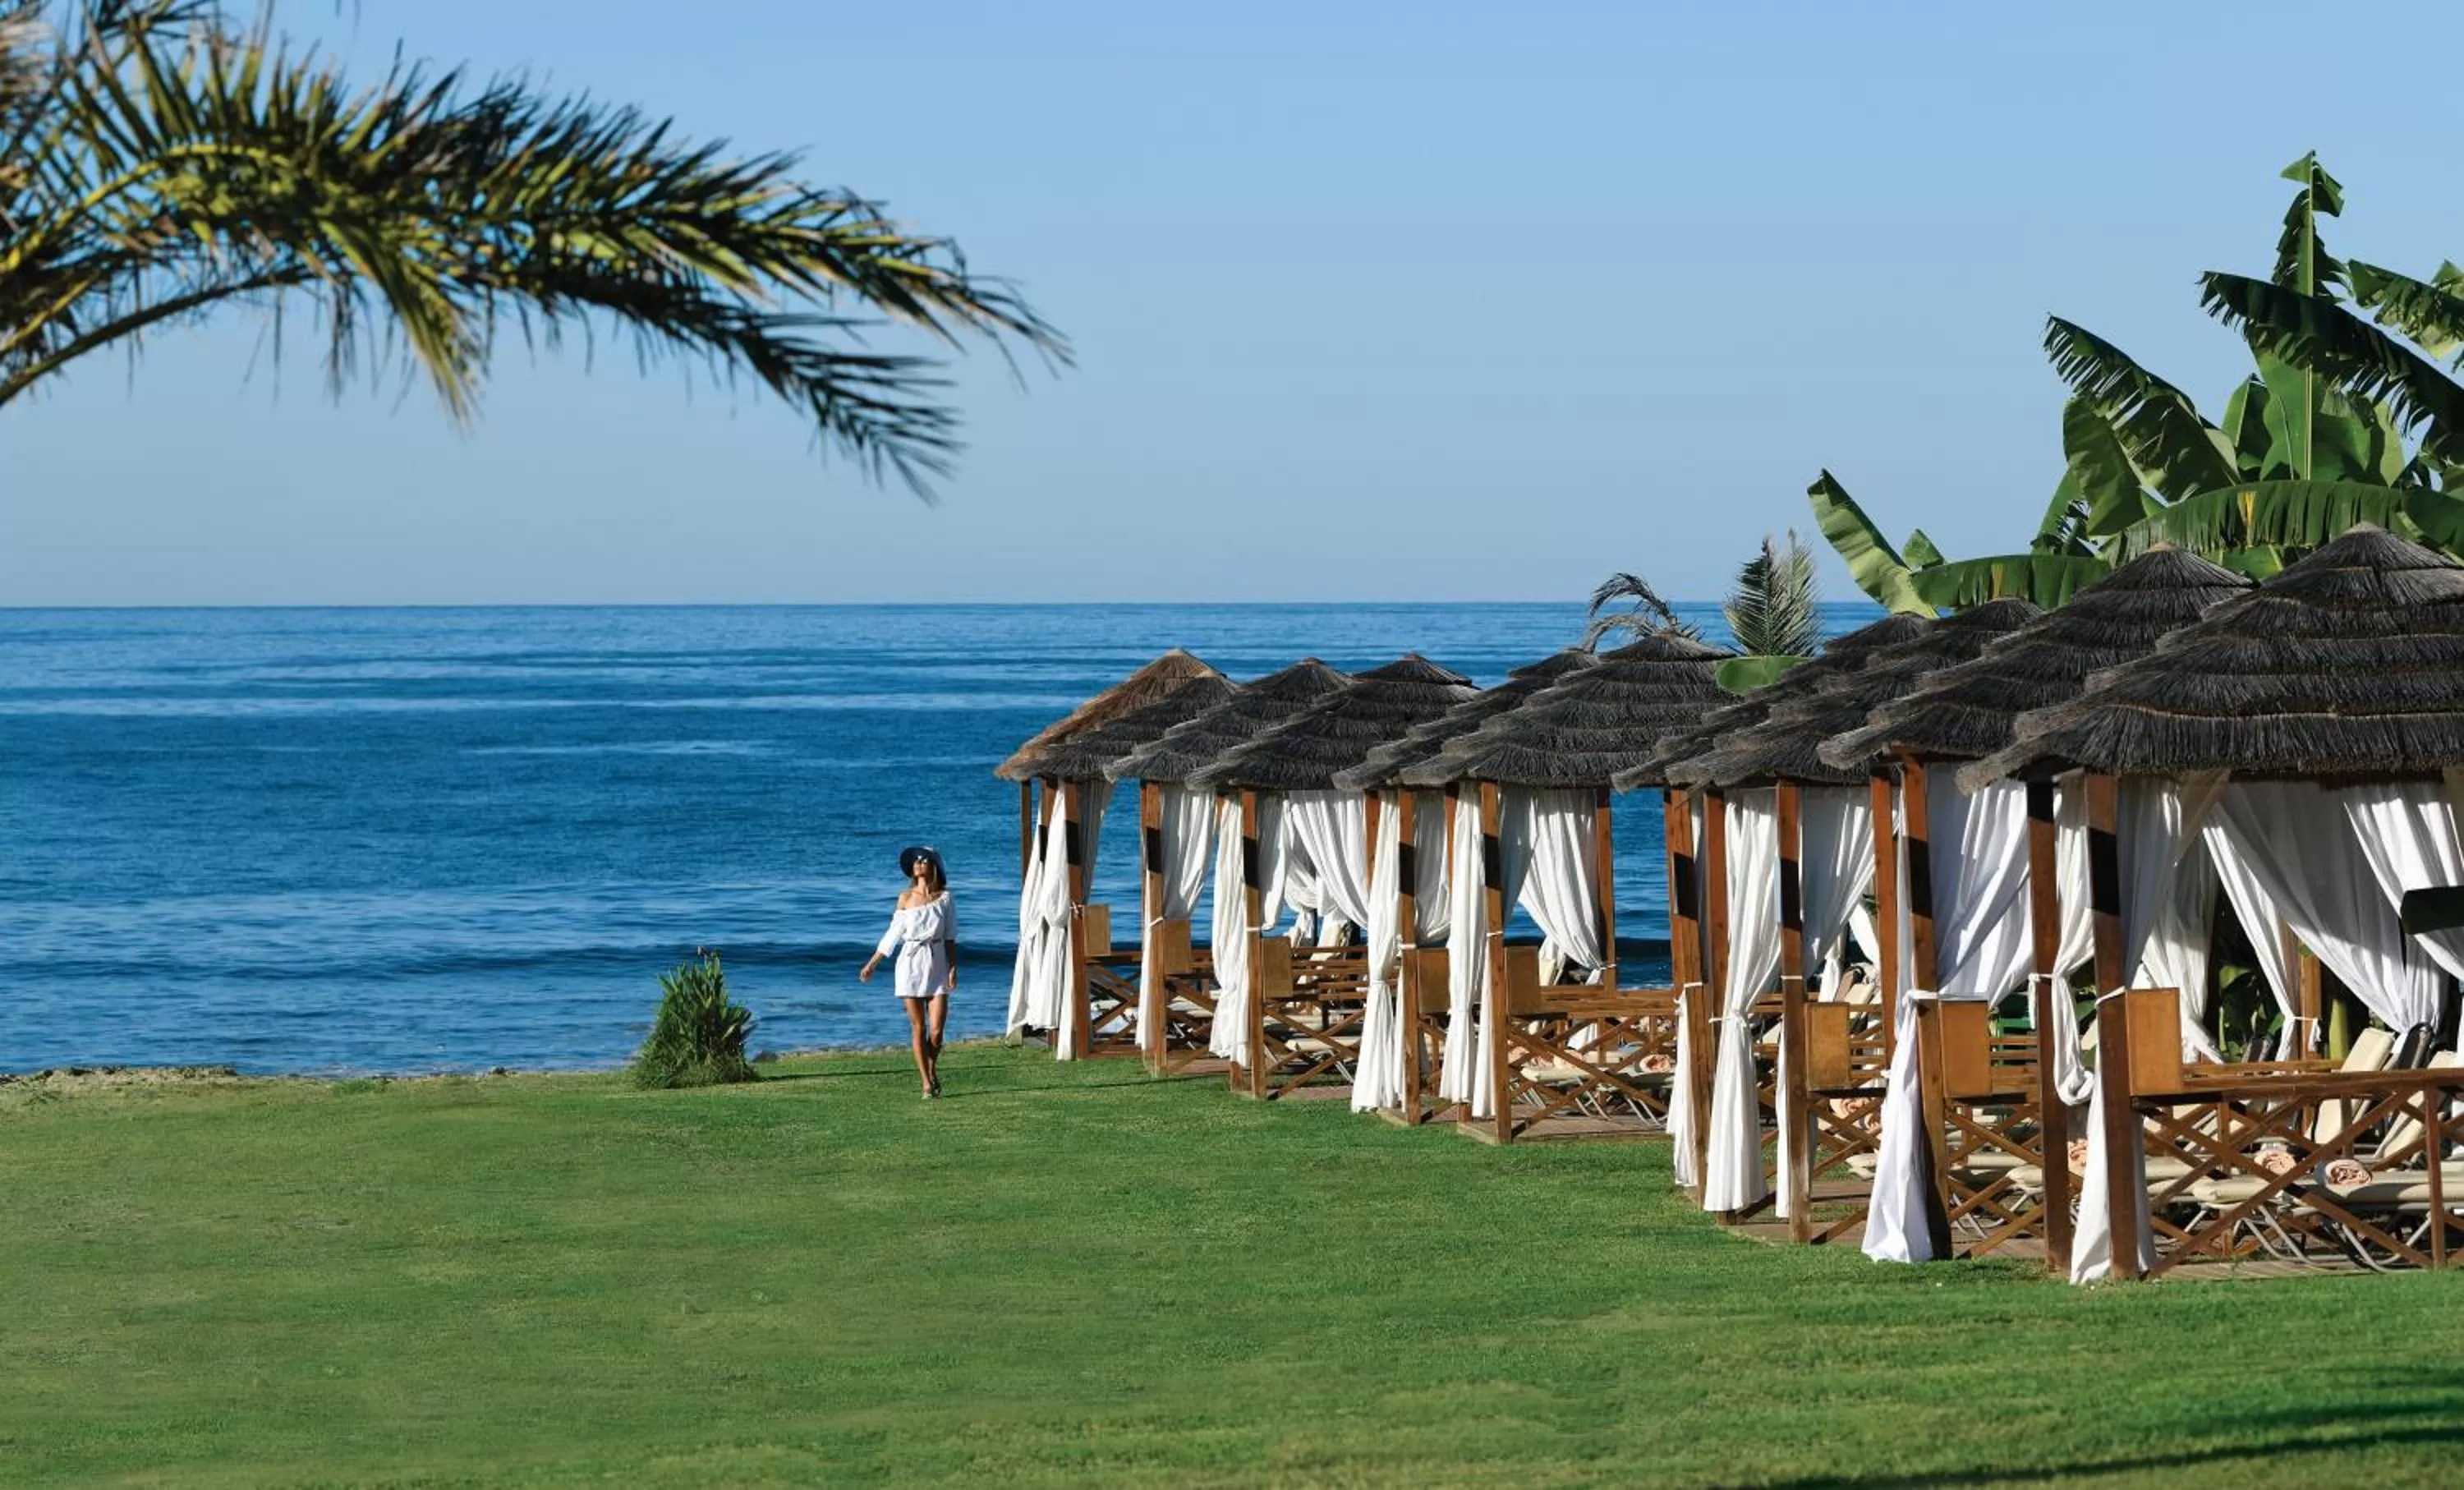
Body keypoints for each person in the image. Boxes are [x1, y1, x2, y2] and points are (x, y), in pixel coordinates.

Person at [860, 845, 956, 1097]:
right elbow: (893, 934)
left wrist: (953, 968)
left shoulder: (945, 898)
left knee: (936, 1031)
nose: (918, 863)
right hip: (910, 964)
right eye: (915, 860)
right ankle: (926, 1083)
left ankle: (932, 1069)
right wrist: (872, 963)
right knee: (919, 1029)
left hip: (937, 964)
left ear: (933, 865)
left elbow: (950, 936)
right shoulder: (905, 898)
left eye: (924, 860)